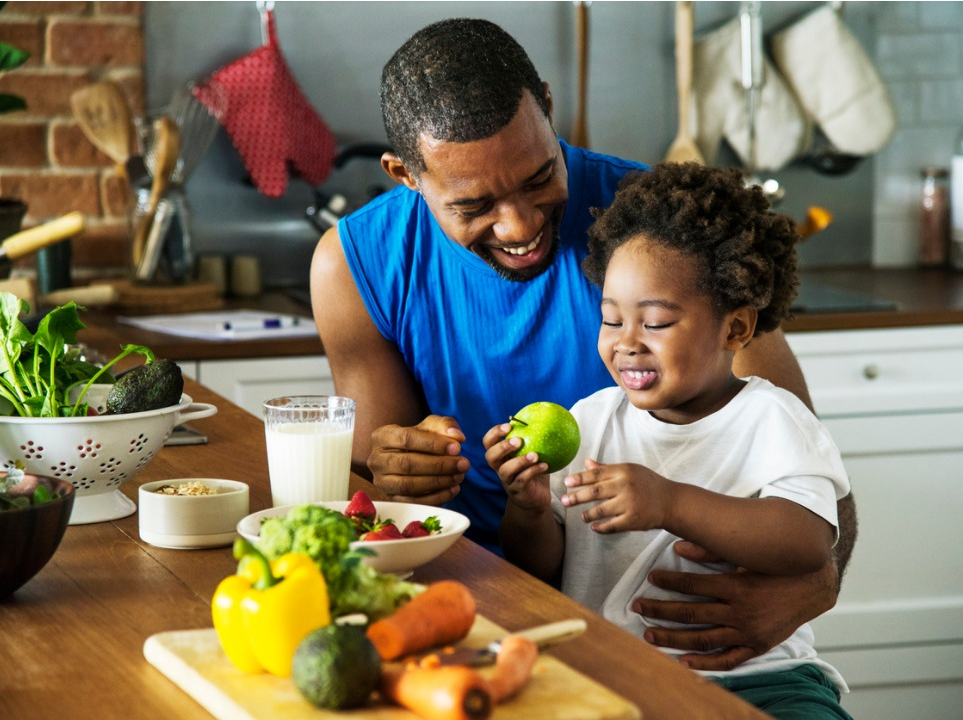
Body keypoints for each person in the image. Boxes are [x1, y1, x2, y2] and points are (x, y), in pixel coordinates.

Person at [310, 17, 858, 671]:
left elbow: (812, 473)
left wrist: (813, 588)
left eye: (539, 177)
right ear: (406, 174)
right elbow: (378, 503)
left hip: (671, 635)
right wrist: (393, 468)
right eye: (474, 205)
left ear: (546, 103)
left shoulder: (659, 233)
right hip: (455, 607)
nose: (519, 225)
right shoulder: (355, 265)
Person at [484, 161, 852, 719]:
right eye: (612, 320)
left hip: (762, 678)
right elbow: (543, 570)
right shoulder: (592, 420)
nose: (626, 344)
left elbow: (807, 543)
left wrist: (670, 501)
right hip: (613, 673)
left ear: (735, 329)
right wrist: (530, 510)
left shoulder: (773, 420)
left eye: (654, 323)